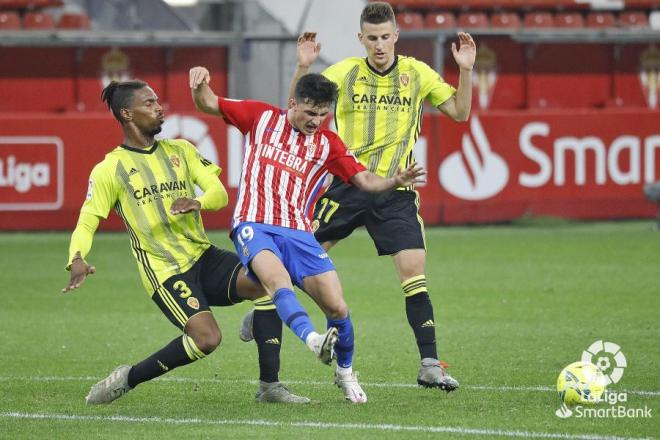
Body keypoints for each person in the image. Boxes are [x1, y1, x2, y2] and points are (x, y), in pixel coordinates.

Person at [242, 2, 475, 391]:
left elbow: (459, 112)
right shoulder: (346, 72)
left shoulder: (416, 73)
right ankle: (268, 311)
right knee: (286, 262)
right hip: (345, 186)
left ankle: (430, 364)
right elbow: (296, 109)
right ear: (360, 39)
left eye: (386, 37)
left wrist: (465, 71)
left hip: (395, 190)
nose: (380, 45)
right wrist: (302, 66)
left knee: (414, 271)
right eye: (372, 38)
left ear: (396, 36)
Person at [62, 79, 309, 405]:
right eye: (148, 103)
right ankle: (128, 378)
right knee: (207, 339)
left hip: (203, 255)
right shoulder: (111, 169)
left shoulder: (182, 150)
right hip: (166, 270)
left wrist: (199, 202)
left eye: (157, 101)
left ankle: (270, 387)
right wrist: (76, 257)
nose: (158, 107)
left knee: (269, 280)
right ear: (127, 114)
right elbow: (88, 218)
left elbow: (219, 194)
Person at [190, 67, 425, 403]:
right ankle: (313, 340)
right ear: (293, 104)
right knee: (277, 281)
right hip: (254, 225)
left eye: (322, 114)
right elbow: (208, 103)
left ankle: (345, 372)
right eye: (310, 113)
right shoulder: (260, 117)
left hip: (299, 232)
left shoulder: (328, 143)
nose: (316, 121)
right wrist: (200, 84)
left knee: (338, 307)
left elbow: (364, 181)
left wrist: (393, 180)